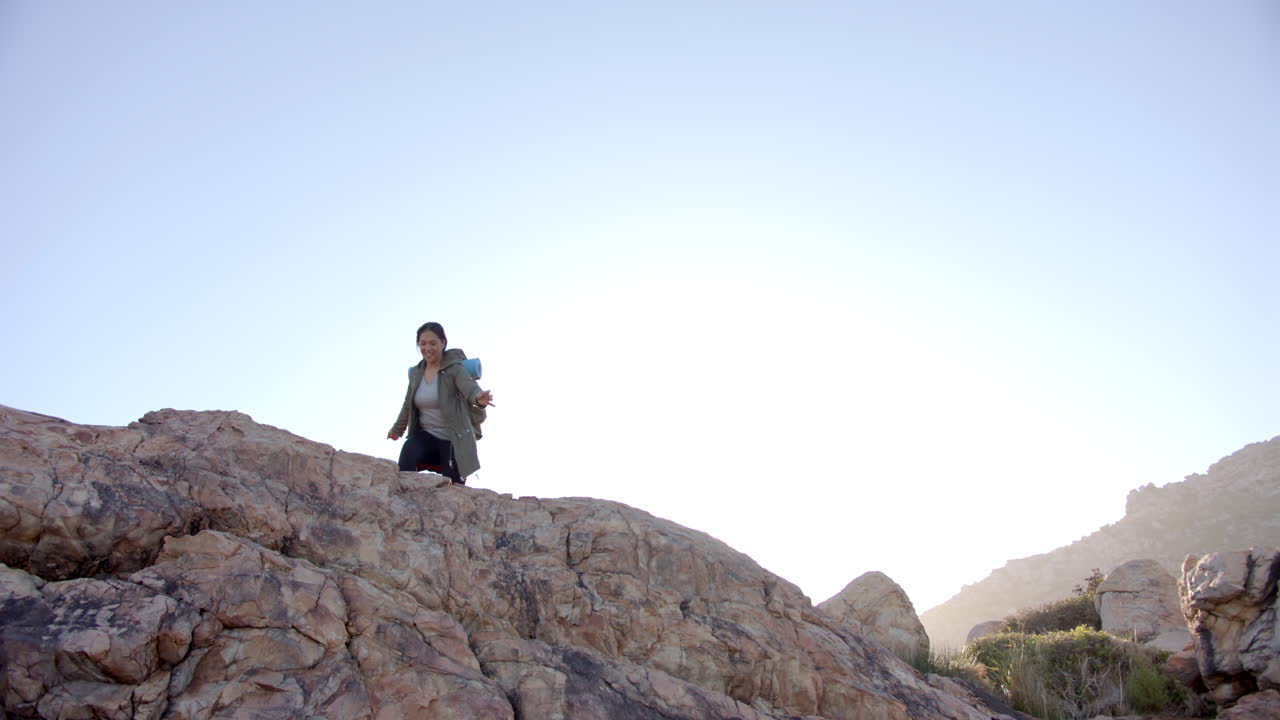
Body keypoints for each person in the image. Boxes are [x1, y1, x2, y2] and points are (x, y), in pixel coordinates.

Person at [387, 322, 495, 484]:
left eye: (432, 343)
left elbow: (470, 387)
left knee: (454, 487)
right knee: (409, 450)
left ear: (443, 343)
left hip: (453, 442)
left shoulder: (454, 370)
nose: (427, 348)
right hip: (426, 437)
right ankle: (404, 496)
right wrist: (397, 429)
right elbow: (408, 405)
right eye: (422, 344)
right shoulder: (416, 373)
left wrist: (479, 398)